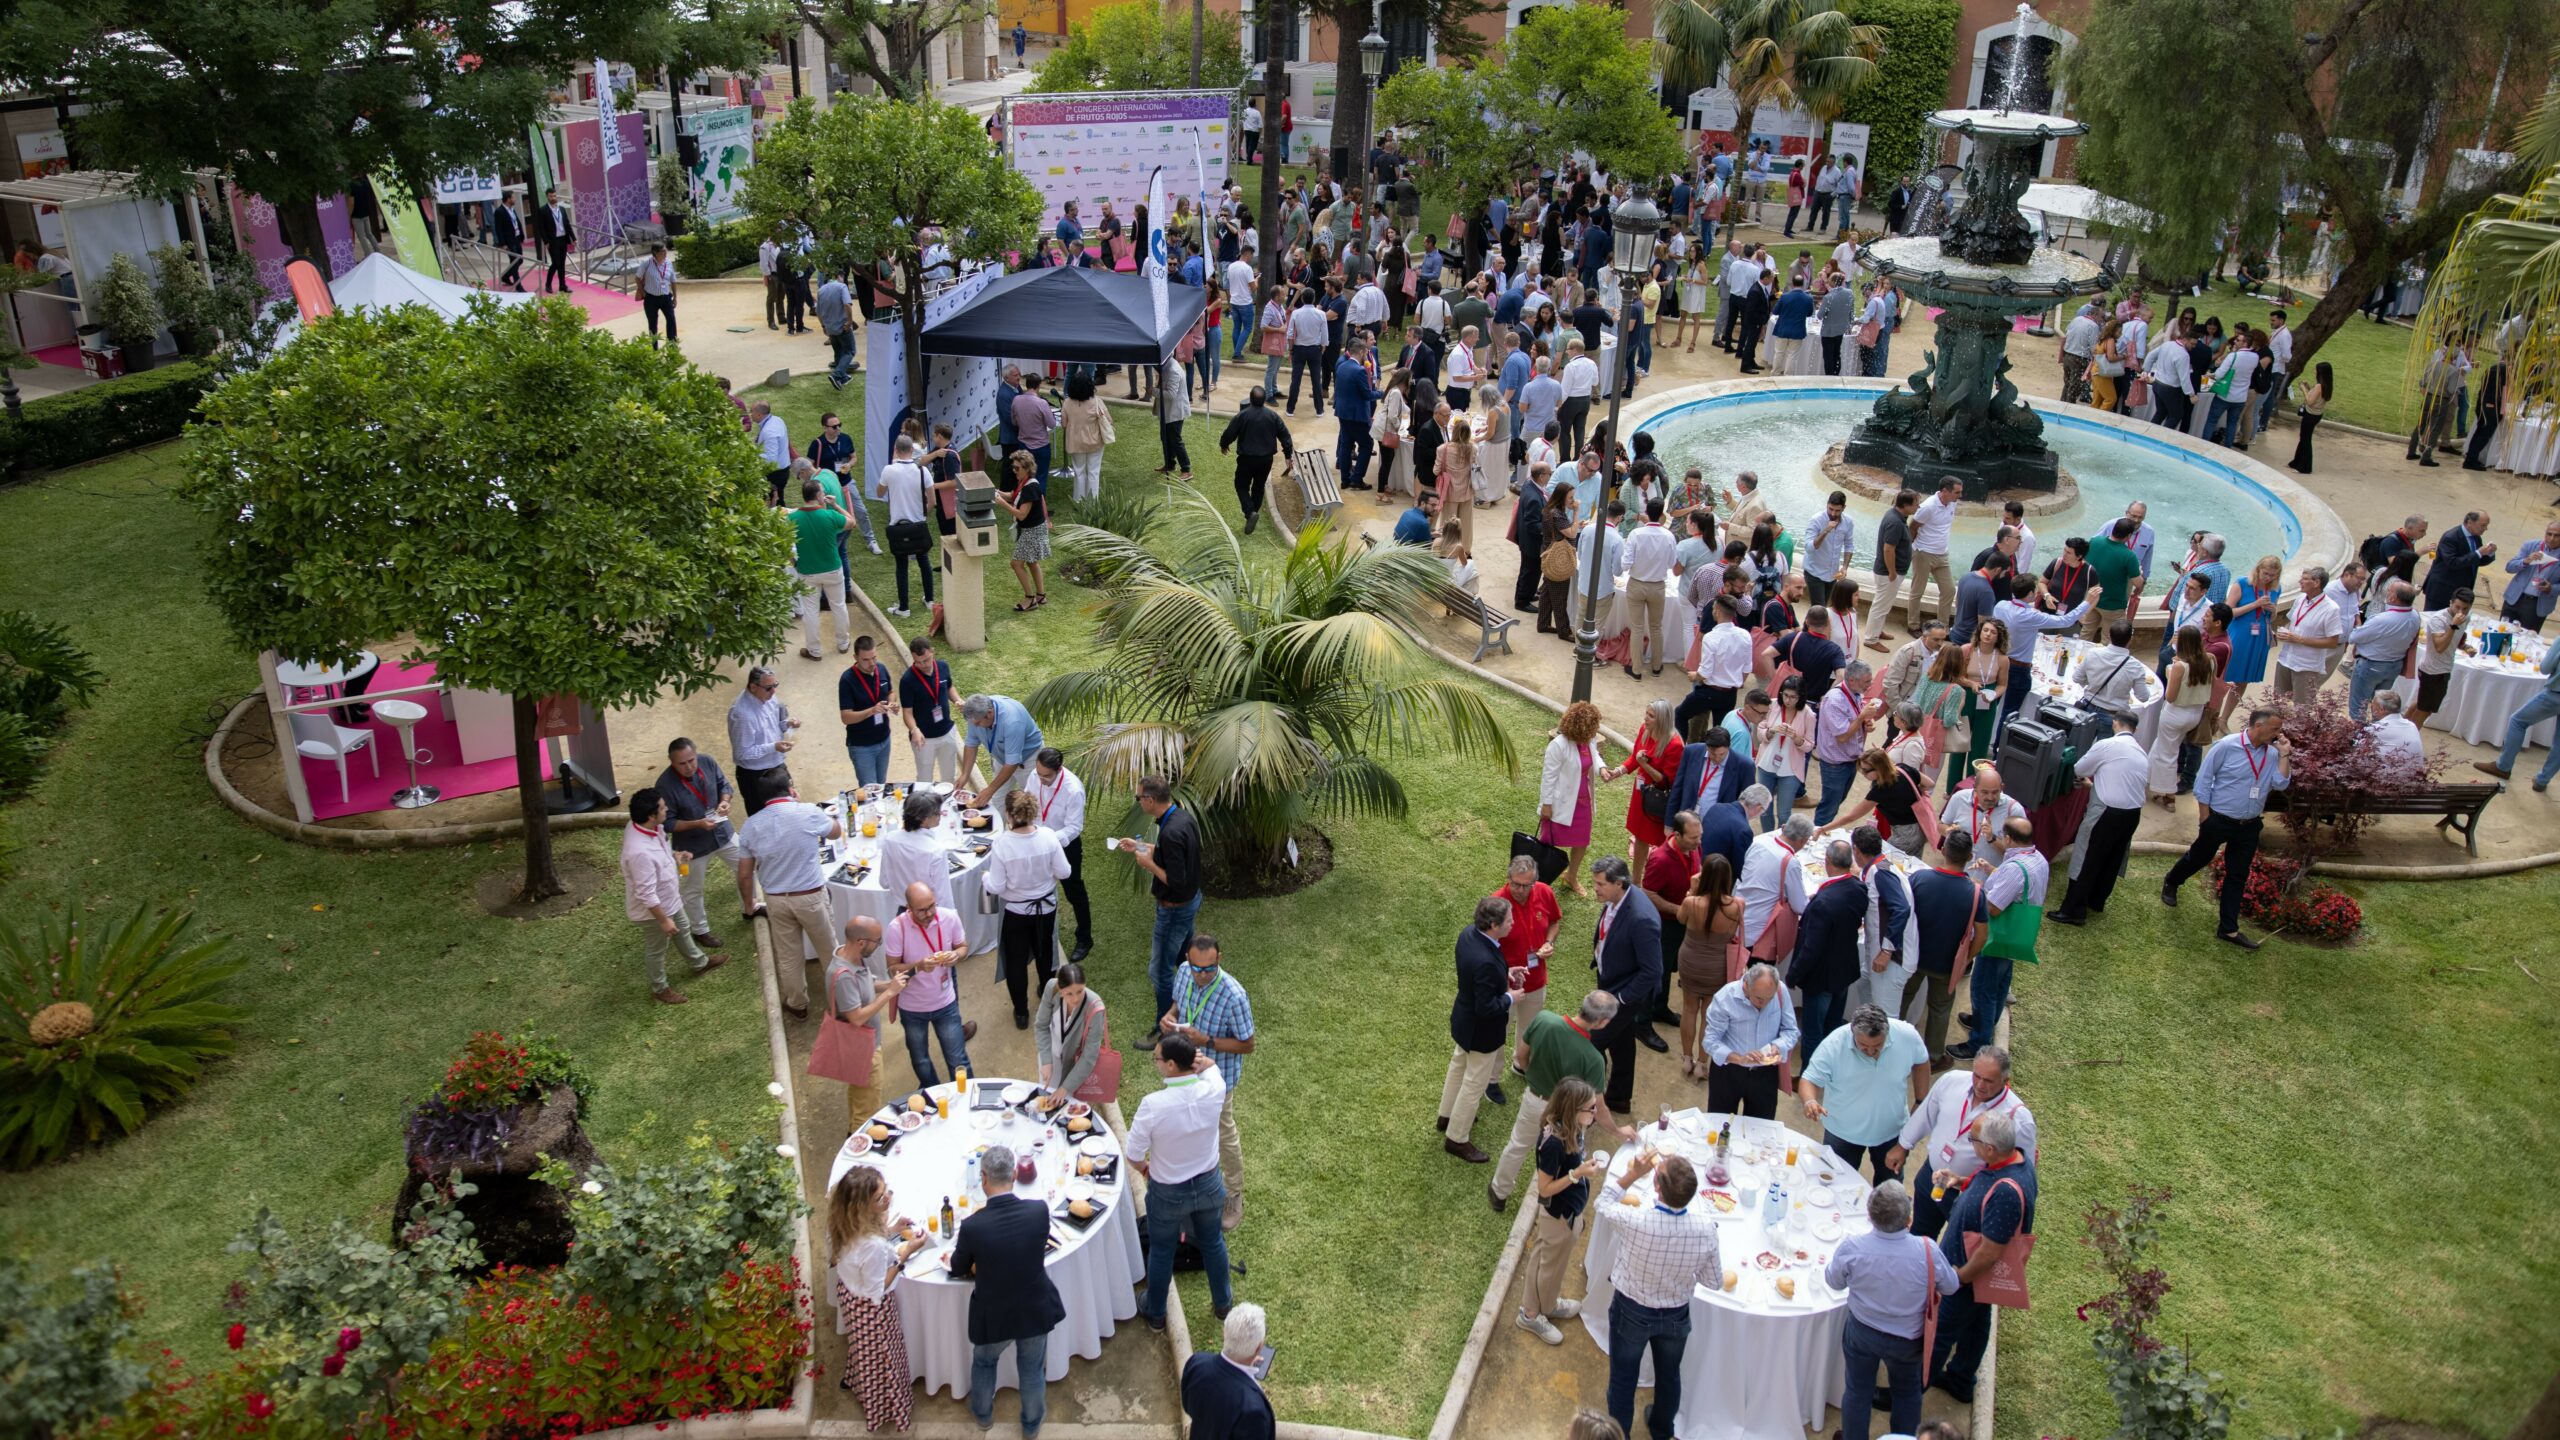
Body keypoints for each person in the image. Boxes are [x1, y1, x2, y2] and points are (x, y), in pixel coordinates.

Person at [1597, 1152, 1721, 1440]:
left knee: (1623, 1379)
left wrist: (1632, 1174)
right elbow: (1713, 1282)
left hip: (1631, 1312)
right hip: (1675, 1316)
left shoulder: (1636, 1220)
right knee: (1669, 1376)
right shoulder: (1706, 1230)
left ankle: (1620, 1436)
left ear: (1656, 1186)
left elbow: (1602, 1202)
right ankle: (1662, 1431)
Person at [1826, 1179, 1960, 1440]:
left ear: (1870, 1216)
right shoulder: (1927, 1251)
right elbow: (1951, 1286)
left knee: (1857, 1391)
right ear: (1909, 1220)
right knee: (1907, 1394)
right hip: (1907, 1340)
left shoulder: (1853, 1248)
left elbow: (1834, 1281)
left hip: (1862, 1333)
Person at [949, 1144, 1066, 1436]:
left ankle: (983, 1415)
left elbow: (957, 1266)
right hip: (1034, 1307)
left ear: (983, 1178)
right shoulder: (1038, 1211)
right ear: (1014, 1175)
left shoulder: (972, 1226)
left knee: (984, 1361)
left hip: (994, 1313)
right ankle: (1031, 1425)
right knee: (1032, 1368)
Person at [1924, 1109, 2035, 1406]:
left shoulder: (2006, 1194)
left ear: (1990, 1149)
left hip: (1968, 1276)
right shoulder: (2014, 1161)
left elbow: (1989, 1252)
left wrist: (1958, 1278)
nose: (1969, 1143)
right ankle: (1961, 1381)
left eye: (1973, 1140)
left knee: (1940, 1333)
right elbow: (1985, 1188)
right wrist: (1960, 1181)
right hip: (1974, 1281)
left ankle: (1909, 1392)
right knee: (1976, 1323)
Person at [2163, 707, 2292, 950]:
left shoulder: (2273, 753)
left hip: (2249, 825)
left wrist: (2284, 755)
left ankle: (2228, 929)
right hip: (2218, 820)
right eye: (2275, 728)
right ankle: (2172, 880)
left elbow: (2281, 783)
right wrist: (2205, 817)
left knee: (2237, 875)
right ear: (2259, 726)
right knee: (2199, 857)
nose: (2278, 733)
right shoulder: (2226, 746)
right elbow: (2203, 780)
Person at [1129, 1034, 1235, 1329]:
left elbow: (1134, 1154)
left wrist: (1147, 1170)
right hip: (1209, 1185)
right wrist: (1200, 1060)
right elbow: (1211, 1065)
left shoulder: (1153, 1104)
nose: (1156, 1063)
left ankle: (1156, 1313)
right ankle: (1223, 1304)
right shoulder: (1215, 1087)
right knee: (1213, 1242)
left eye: (1158, 1058)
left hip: (1167, 1192)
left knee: (1162, 1250)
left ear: (1172, 1065)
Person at [1892, 1044, 2036, 1239]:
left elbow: (2022, 1171)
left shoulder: (2019, 1119)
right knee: (1919, 1236)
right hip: (1932, 1176)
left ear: (2005, 1081)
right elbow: (1926, 1114)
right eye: (1977, 1076)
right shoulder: (1952, 1081)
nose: (1980, 1085)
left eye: (1988, 1080)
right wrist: (1903, 1145)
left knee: (1958, 1246)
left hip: (1969, 1194)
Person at [1160, 935, 1254, 1230]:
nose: (1202, 975)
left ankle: (1234, 1194)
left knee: (1223, 1135)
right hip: (1183, 1072)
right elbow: (1178, 1005)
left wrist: (1207, 1041)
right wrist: (1170, 1016)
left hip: (1218, 1080)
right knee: (1185, 1127)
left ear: (1219, 959)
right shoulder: (1184, 973)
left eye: (1209, 968)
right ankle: (1190, 1184)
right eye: (1196, 968)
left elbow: (1248, 1044)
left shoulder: (1234, 996)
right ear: (1188, 960)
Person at [826, 1166, 926, 1429]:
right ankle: (886, 1409)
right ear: (863, 1207)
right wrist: (904, 1256)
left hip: (850, 1295)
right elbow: (877, 1289)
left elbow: (862, 1251)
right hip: (871, 1311)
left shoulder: (845, 1222)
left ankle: (857, 1381)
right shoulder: (874, 1247)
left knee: (862, 1350)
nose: (888, 1199)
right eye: (880, 1198)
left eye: (886, 1191)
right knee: (884, 1357)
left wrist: (891, 1229)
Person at [1512, 1075, 1607, 1346]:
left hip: (1567, 1212)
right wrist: (1578, 1174)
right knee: (1549, 1266)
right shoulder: (1553, 1143)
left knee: (1546, 1260)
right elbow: (1544, 1189)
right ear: (1573, 1109)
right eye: (1590, 1108)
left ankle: (1546, 1304)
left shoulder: (1572, 1127)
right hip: (1558, 1216)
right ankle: (1532, 1315)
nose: (1595, 1111)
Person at [1116, 774, 1206, 1049]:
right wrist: (1141, 847)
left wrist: (1149, 864)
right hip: (1190, 901)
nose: (1138, 802)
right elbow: (1172, 854)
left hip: (1174, 910)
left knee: (1160, 971)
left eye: (1138, 797)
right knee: (1183, 957)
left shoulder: (1171, 831)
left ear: (1150, 800)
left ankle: (1166, 1029)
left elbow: (1175, 881)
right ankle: (1197, 997)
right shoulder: (1181, 817)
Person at [735, 785, 840, 1018]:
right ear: (790, 789)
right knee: (829, 950)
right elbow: (835, 832)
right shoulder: (808, 811)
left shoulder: (751, 825)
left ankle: (797, 1003)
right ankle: (842, 1001)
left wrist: (749, 904)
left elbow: (744, 874)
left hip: (776, 900)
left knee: (789, 956)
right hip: (811, 897)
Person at [1798, 1002, 1930, 1183]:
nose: (1870, 1051)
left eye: (1877, 1045)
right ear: (1852, 1032)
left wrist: (1921, 1101)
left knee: (1889, 1187)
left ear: (1887, 1033)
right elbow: (1809, 1080)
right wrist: (1810, 1101)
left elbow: (1921, 1061)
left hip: (1891, 1131)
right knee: (1837, 1184)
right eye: (1863, 1045)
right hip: (1842, 1133)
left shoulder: (1907, 1036)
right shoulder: (1834, 1044)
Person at [1438, 894, 1525, 1164]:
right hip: (1481, 1032)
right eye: (1509, 921)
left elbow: (1480, 978)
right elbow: (1487, 1007)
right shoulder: (1485, 961)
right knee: (1474, 1084)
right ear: (1493, 925)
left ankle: (1446, 1116)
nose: (1512, 924)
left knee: (1458, 1066)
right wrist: (1510, 997)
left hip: (1464, 1021)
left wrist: (1504, 974)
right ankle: (1457, 1138)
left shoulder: (1469, 934)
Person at [622, 789, 725, 1004]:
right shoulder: (639, 852)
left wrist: (674, 856)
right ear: (651, 816)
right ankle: (660, 988)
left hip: (670, 900)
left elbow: (659, 853)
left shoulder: (650, 827)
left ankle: (699, 963)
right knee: (657, 949)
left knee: (683, 929)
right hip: (655, 912)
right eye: (662, 807)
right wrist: (663, 920)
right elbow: (646, 893)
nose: (667, 809)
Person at [2048, 712, 2147, 928]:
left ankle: (2073, 910)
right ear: (2135, 729)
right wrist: (2093, 786)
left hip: (2106, 812)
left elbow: (2079, 769)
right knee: (2112, 857)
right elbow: (2120, 782)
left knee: (2086, 856)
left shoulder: (2107, 745)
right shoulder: (2141, 752)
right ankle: (2096, 899)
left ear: (2115, 724)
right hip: (2132, 814)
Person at [984, 788, 1072, 1029]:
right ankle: (1047, 997)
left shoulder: (1002, 844)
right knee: (1045, 955)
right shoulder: (1048, 837)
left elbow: (997, 886)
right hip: (1046, 909)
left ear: (1008, 814)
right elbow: (1065, 872)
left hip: (1016, 913)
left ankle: (1021, 1012)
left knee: (1016, 961)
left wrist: (985, 879)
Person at [657, 737, 750, 954]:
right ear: (671, 762)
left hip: (722, 832)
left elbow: (724, 785)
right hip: (692, 846)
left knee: (747, 866)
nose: (689, 767)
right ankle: (700, 930)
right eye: (682, 763)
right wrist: (697, 823)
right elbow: (668, 823)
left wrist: (725, 801)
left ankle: (750, 907)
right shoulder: (664, 785)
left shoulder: (707, 761)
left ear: (696, 754)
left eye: (691, 760)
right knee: (692, 889)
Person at [1588, 855, 1662, 1118]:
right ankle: (1619, 1098)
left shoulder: (1641, 919)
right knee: (1621, 1041)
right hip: (1611, 981)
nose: (1595, 888)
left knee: (1590, 1044)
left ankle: (1591, 1103)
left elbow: (1652, 971)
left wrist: (1619, 999)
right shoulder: (1616, 899)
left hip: (1624, 995)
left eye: (1600, 884)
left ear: (1618, 883)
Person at [1538, 702, 1610, 898]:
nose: (1596, 730)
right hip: (1560, 804)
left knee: (1581, 841)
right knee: (1548, 842)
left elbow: (1594, 755)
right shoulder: (1558, 746)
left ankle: (1571, 876)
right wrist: (1546, 805)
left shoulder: (1588, 740)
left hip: (1582, 802)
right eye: (1594, 726)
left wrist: (1602, 768)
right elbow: (1548, 777)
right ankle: (1539, 880)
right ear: (1582, 727)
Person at [2472, 636, 2560, 793]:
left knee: (2518, 721)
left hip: (2556, 694)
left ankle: (2503, 766)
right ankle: (2542, 780)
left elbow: (2545, 668)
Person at [1182, 1303, 1276, 1440]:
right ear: (1259, 1348)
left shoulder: (1197, 1363)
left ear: (1223, 1333)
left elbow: (1188, 1406)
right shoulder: (1253, 1408)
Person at [787, 476, 852, 660]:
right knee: (838, 606)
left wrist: (792, 560)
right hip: (832, 569)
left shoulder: (792, 518)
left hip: (807, 572)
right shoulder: (829, 515)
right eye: (822, 493)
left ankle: (814, 650)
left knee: (810, 612)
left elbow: (783, 541)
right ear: (818, 496)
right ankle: (843, 643)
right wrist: (836, 505)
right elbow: (851, 521)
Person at [2149, 625, 2216, 804]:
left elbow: (2170, 697)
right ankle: (2151, 779)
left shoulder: (2179, 667)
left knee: (2167, 754)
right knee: (2162, 747)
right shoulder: (2210, 659)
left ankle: (2169, 795)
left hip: (2175, 714)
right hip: (2195, 714)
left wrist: (2171, 671)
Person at [2343, 579, 2421, 722]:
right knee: (2381, 708)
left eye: (2389, 591)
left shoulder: (2382, 619)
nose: (2387, 593)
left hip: (2371, 666)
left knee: (2358, 707)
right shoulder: (2415, 616)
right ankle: (2375, 733)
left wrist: (2359, 625)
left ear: (2393, 598)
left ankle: (2357, 733)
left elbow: (2354, 637)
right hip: (2394, 666)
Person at [1218, 386, 1294, 533]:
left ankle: (1250, 513)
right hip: (1266, 460)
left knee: (1241, 485)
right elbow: (1285, 435)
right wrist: (1288, 455)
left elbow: (1230, 432)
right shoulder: (1273, 416)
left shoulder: (1243, 415)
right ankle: (1252, 515)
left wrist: (1224, 445)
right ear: (1264, 400)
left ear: (1250, 399)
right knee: (1258, 488)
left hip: (1247, 459)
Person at [727, 666, 799, 814]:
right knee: (763, 818)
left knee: (789, 811)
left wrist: (787, 724)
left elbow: (774, 725)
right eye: (768, 688)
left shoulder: (768, 697)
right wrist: (774, 747)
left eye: (775, 685)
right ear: (753, 687)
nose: (774, 691)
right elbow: (742, 753)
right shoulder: (742, 715)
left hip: (777, 765)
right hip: (755, 776)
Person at [2268, 567, 2342, 704]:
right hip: (2285, 660)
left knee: (2301, 709)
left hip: (2306, 666)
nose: (2300, 581)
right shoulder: (2300, 599)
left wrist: (2299, 639)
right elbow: (2291, 621)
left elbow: (2332, 642)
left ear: (2316, 583)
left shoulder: (2331, 609)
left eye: (2305, 579)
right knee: (2278, 703)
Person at [899, 636, 962, 783]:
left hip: (947, 732)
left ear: (932, 651)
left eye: (926, 660)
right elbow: (907, 712)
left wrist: (958, 700)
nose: (923, 665)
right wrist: (914, 730)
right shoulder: (907, 680)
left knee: (949, 777)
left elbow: (949, 687)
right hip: (924, 739)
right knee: (924, 779)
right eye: (918, 662)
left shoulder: (943, 667)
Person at [2411, 588, 2473, 728]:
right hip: (2433, 671)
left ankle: (2402, 728)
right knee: (2424, 711)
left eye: (2465, 609)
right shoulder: (2438, 620)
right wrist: (2453, 626)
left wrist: (2464, 646)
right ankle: (2409, 737)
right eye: (2457, 607)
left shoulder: (2466, 617)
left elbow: (2457, 638)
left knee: (2421, 705)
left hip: (2443, 669)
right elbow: (2439, 647)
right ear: (2450, 603)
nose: (2461, 612)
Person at [2423, 511, 2499, 611]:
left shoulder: (2476, 538)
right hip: (2441, 591)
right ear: (2470, 522)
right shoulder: (2451, 537)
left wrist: (2489, 553)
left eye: (2486, 525)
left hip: (2460, 592)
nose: (2485, 529)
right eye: (2483, 525)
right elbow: (2453, 563)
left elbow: (2475, 561)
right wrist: (2478, 553)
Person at [2500, 519, 2560, 633]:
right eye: (2549, 534)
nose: (2552, 538)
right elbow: (2509, 567)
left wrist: (2551, 588)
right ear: (2545, 533)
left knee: (2526, 639)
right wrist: (2525, 561)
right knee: (2501, 633)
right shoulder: (2530, 545)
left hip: (2537, 605)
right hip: (2515, 598)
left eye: (2557, 535)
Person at [531, 187, 572, 293]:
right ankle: (548, 284)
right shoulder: (542, 210)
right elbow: (541, 228)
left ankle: (562, 285)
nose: (553, 198)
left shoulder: (561, 209)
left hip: (563, 238)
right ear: (547, 197)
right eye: (551, 196)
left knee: (562, 263)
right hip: (552, 241)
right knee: (556, 263)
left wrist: (573, 238)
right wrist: (546, 241)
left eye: (554, 196)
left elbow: (567, 224)